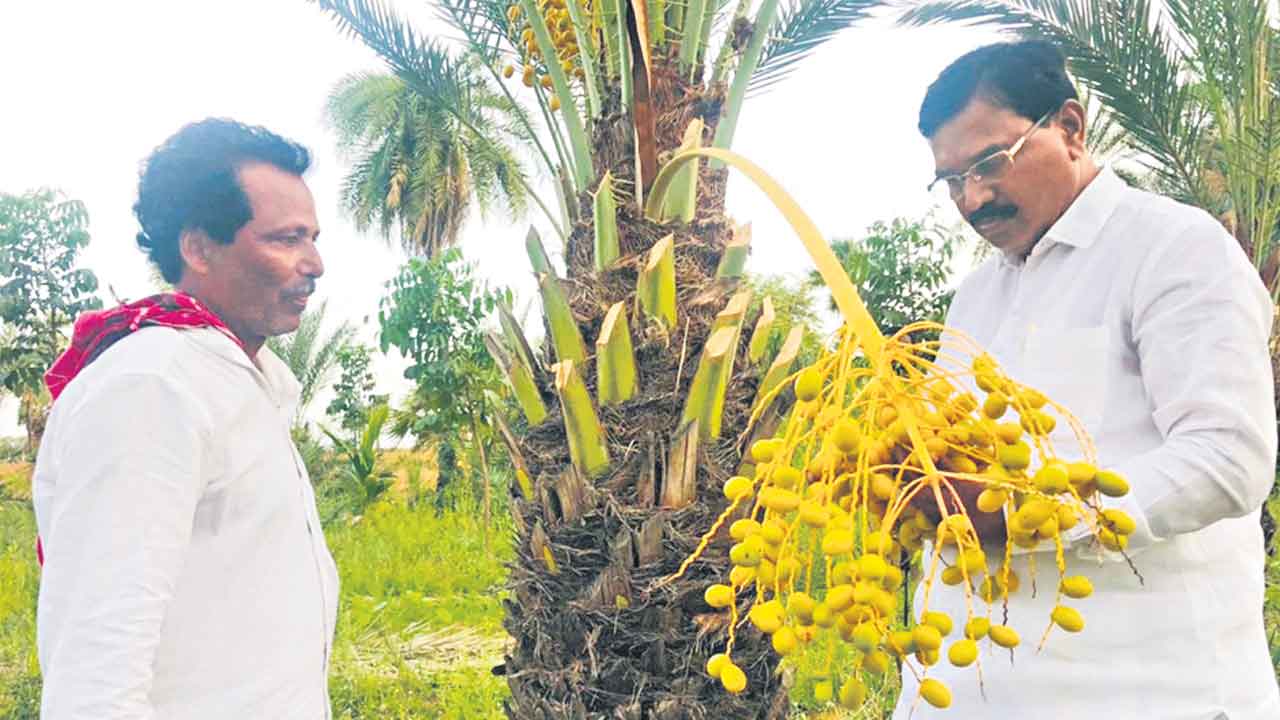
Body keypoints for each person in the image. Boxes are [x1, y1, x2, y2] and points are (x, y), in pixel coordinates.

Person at [895, 40, 1279, 718]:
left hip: (1150, 698)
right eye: (950, 180)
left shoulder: (1174, 249)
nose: (973, 198)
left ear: (1070, 127)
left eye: (989, 163)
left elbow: (1228, 461)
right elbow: (948, 468)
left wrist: (1020, 515)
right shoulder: (975, 295)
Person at [32, 118, 338, 719]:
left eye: (313, 238)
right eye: (286, 239)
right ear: (198, 248)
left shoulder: (239, 379)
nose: (315, 263)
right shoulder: (152, 386)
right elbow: (96, 677)